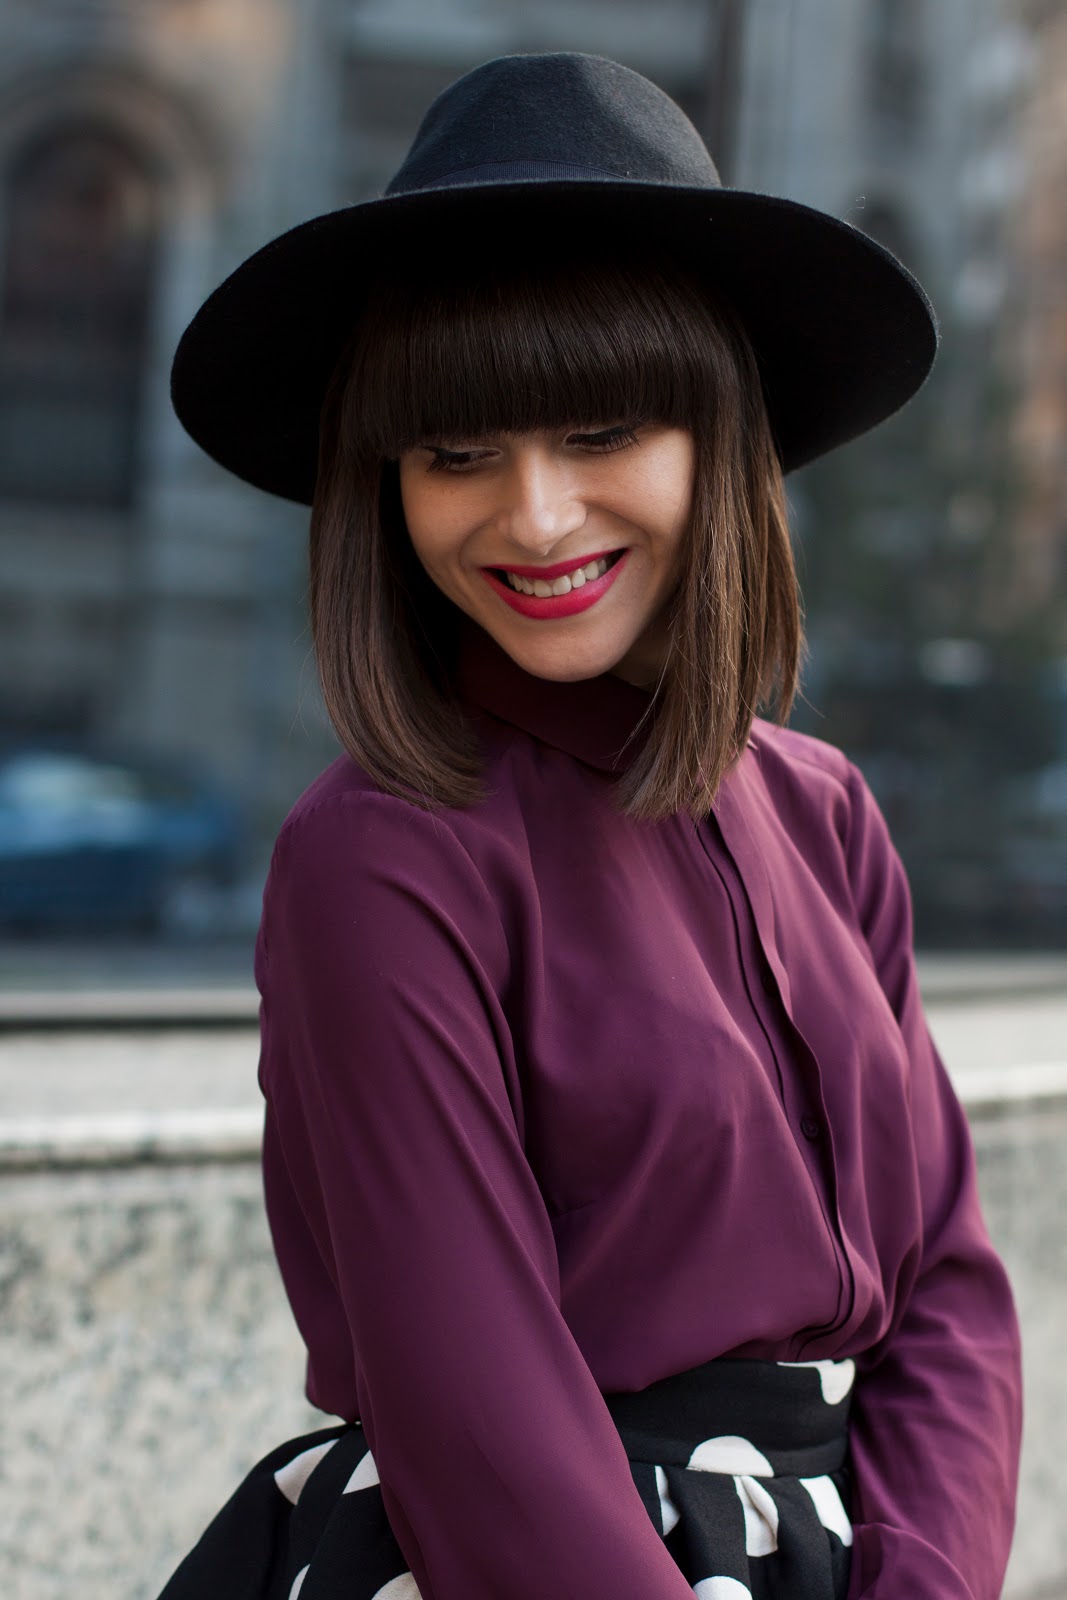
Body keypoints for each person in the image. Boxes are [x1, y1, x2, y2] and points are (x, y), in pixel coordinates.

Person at [159, 51, 1022, 1600]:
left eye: (603, 431)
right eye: (458, 454)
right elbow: (472, 1412)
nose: (536, 518)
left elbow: (948, 1290)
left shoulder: (824, 812)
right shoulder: (382, 856)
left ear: (718, 443)